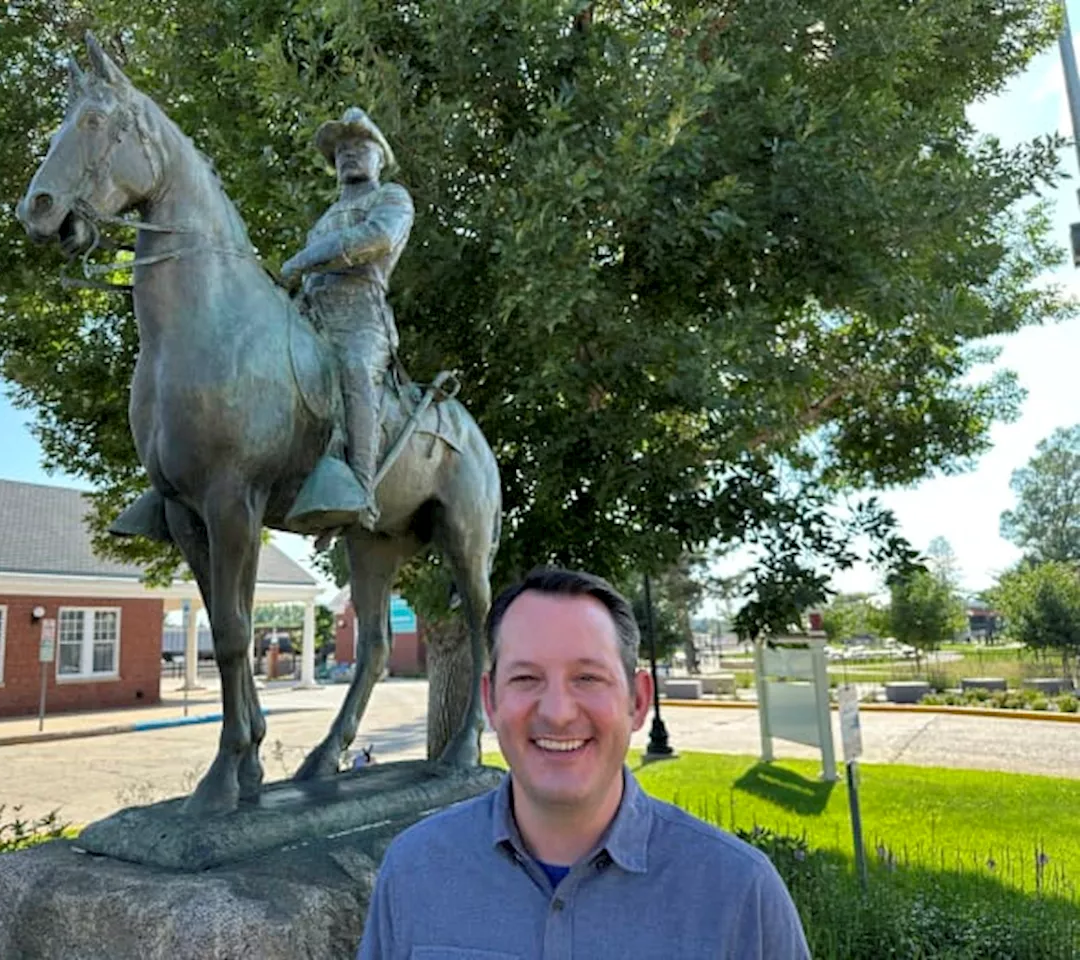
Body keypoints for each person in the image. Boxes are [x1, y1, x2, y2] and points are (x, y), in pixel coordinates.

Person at [358, 568, 810, 959]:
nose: (557, 711)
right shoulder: (415, 870)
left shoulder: (739, 894)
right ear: (490, 702)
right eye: (526, 678)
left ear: (638, 702)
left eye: (588, 678)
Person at [281, 107, 414, 531]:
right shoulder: (323, 220)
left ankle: (360, 489)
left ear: (380, 157)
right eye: (340, 152)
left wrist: (303, 259)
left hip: (360, 317)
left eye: (360, 147)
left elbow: (377, 238)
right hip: (312, 317)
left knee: (355, 369)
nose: (348, 156)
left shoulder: (391, 198)